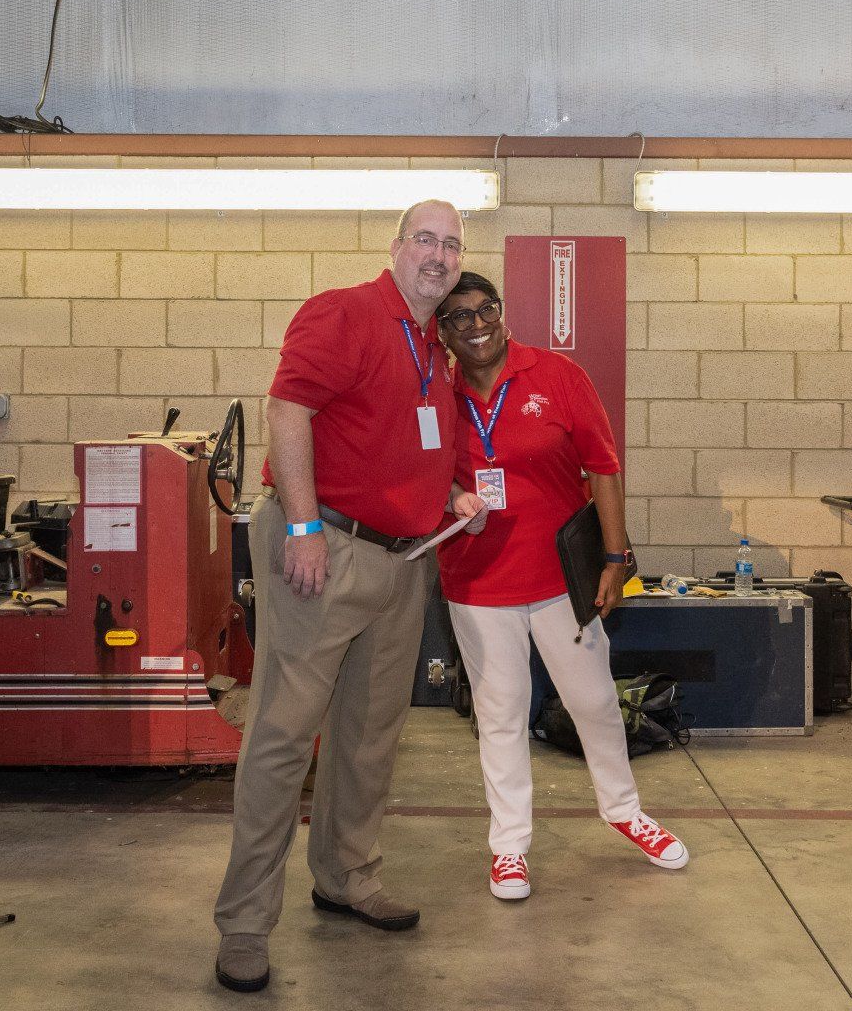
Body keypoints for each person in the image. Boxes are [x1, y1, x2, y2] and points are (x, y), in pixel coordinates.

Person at [212, 200, 488, 993]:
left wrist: (454, 499)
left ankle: (345, 875)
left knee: (369, 736)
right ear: (396, 247)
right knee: (282, 736)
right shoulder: (346, 313)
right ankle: (244, 924)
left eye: (452, 245)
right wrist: (302, 527)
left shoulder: (433, 347)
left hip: (402, 562)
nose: (439, 256)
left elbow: (406, 446)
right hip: (324, 549)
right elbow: (287, 409)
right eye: (425, 240)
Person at [434, 271, 688, 902]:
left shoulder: (557, 375)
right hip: (476, 583)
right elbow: (417, 471)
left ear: (501, 312)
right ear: (443, 331)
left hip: (559, 581)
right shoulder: (434, 392)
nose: (476, 325)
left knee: (595, 702)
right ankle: (509, 847)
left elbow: (603, 468)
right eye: (459, 316)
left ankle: (624, 811)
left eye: (485, 309)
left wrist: (614, 558)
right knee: (501, 715)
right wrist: (453, 495)